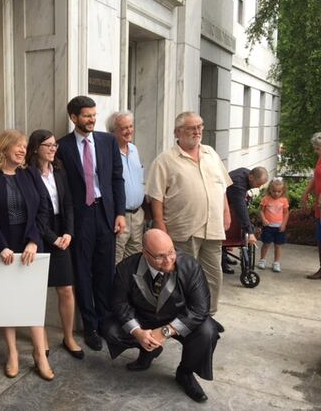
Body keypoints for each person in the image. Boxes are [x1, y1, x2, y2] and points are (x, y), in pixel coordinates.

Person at [101, 229, 219, 403]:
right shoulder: (125, 268)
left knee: (208, 330)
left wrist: (165, 331)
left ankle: (185, 373)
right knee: (109, 328)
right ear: (145, 253)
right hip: (144, 319)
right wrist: (138, 332)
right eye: (160, 256)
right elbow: (119, 304)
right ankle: (148, 350)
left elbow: (200, 309)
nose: (169, 260)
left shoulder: (190, 265)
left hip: (179, 318)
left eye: (171, 252)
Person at [0, 129, 54, 381]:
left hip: (30, 246)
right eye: (18, 145)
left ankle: (39, 354)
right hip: (2, 248)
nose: (23, 149)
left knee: (32, 302)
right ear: (4, 147)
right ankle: (12, 353)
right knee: (7, 303)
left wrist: (34, 240)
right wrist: (0, 245)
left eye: (25, 146)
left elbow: (42, 211)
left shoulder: (31, 174)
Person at [146, 111, 231, 320]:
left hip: (212, 227)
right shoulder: (164, 160)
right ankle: (182, 315)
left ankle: (207, 316)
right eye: (192, 128)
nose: (198, 131)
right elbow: (156, 198)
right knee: (182, 276)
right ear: (177, 132)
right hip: (183, 229)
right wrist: (160, 227)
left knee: (213, 275)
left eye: (200, 127)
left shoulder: (211, 153)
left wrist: (227, 213)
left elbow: (223, 188)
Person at [57, 96, 126, 351]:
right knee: (83, 273)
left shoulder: (108, 142)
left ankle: (107, 322)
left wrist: (120, 213)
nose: (92, 119)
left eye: (94, 115)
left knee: (105, 271)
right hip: (80, 217)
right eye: (86, 115)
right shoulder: (62, 146)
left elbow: (117, 179)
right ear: (74, 118)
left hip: (106, 214)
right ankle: (90, 326)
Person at [26, 129, 84, 360]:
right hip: (38, 234)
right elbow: (33, 213)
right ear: (36, 148)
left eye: (54, 145)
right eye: (48, 145)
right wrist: (51, 237)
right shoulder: (28, 173)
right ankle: (41, 340)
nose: (53, 149)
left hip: (62, 231)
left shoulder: (59, 171)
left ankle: (68, 336)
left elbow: (68, 204)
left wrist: (68, 233)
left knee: (66, 289)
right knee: (36, 292)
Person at [107, 111, 146, 262]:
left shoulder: (134, 149)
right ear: (113, 131)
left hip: (138, 215)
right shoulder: (108, 153)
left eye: (130, 126)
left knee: (134, 259)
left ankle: (130, 286)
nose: (129, 131)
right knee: (116, 258)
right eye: (124, 128)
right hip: (119, 216)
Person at [223, 166, 269, 274]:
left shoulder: (248, 174)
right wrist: (249, 231)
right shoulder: (238, 183)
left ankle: (224, 256)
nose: (259, 187)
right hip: (219, 203)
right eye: (258, 184)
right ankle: (222, 261)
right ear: (251, 177)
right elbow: (241, 209)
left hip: (228, 200)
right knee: (224, 233)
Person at [258, 178, 290, 273]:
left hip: (279, 227)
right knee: (266, 244)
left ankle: (276, 263)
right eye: (274, 191)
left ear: (283, 191)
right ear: (270, 190)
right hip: (268, 226)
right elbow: (261, 210)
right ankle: (262, 260)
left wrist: (284, 224)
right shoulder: (266, 199)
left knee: (278, 245)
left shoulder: (284, 200)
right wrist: (263, 219)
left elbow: (286, 213)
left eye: (279, 191)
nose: (276, 193)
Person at [301, 132, 321, 279]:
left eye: (318, 148)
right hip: (319, 204)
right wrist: (306, 193)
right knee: (320, 238)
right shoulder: (320, 159)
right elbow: (316, 177)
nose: (316, 151)